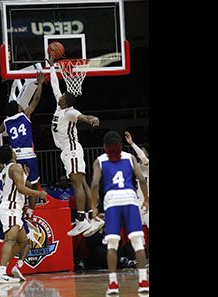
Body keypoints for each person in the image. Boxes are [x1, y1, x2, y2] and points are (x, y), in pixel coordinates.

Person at [45, 52, 104, 237]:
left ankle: (81, 220)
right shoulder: (58, 105)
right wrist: (52, 66)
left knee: (76, 184)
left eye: (62, 96)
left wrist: (91, 119)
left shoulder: (70, 111)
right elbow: (54, 84)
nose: (60, 95)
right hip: (67, 152)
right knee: (81, 183)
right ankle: (92, 217)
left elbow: (81, 116)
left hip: (71, 150)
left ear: (66, 101)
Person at [90, 131, 149, 294]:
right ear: (120, 145)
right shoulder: (130, 158)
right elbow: (142, 180)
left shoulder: (100, 160)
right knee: (138, 242)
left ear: (104, 146)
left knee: (112, 244)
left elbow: (94, 184)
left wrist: (94, 206)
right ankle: (144, 281)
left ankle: (113, 284)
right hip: (130, 197)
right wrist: (146, 199)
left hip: (112, 200)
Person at [0, 71, 46, 229]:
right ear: (17, 109)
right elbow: (36, 99)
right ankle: (29, 214)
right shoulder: (25, 114)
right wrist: (40, 83)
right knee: (35, 185)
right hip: (28, 153)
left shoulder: (7, 122)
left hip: (14, 157)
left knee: (21, 186)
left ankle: (21, 213)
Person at [0, 144, 48, 283]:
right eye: (13, 150)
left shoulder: (8, 168)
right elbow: (21, 188)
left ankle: (2, 267)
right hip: (11, 207)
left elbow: (21, 185)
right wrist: (39, 193)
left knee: (23, 241)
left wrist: (25, 177)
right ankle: (1, 272)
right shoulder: (16, 167)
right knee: (10, 240)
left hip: (14, 209)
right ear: (12, 154)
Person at [124, 131, 149, 229]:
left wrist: (131, 143)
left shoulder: (147, 166)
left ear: (147, 154)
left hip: (147, 200)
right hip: (138, 200)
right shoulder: (137, 166)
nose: (140, 153)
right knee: (138, 230)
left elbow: (142, 157)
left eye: (142, 151)